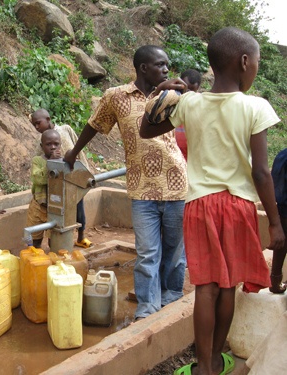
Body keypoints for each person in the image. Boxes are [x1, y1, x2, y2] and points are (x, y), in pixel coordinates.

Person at [140, 27, 285, 375]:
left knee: (204, 288)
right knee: (227, 288)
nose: (256, 70)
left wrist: (162, 93)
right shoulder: (256, 107)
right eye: (257, 64)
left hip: (199, 205)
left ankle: (203, 366)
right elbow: (262, 173)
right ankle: (218, 358)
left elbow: (147, 130)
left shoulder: (190, 102)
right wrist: (276, 223)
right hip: (237, 207)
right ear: (245, 61)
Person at [63, 45, 188, 321]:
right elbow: (95, 124)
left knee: (175, 253)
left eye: (167, 65)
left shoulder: (172, 95)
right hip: (142, 188)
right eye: (160, 65)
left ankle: (171, 300)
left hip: (177, 184)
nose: (167, 69)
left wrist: (184, 93)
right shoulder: (116, 96)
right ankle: (148, 308)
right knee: (147, 253)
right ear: (143, 68)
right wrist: (72, 152)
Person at [30, 108, 92, 248]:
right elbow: (38, 167)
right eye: (34, 125)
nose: (37, 127)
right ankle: (56, 247)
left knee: (79, 210)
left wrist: (85, 173)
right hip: (56, 183)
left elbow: (78, 149)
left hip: (74, 177)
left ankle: (81, 237)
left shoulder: (65, 130)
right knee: (59, 218)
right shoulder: (40, 142)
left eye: (39, 123)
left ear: (48, 119)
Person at [26, 129, 62, 249]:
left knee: (55, 240)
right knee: (35, 239)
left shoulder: (63, 162)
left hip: (55, 208)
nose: (52, 147)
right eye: (48, 144)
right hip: (38, 206)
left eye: (56, 144)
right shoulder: (38, 161)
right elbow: (38, 180)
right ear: (42, 146)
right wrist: (50, 163)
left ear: (60, 145)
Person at [270, 148, 287, 293]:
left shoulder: (283, 156)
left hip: (284, 210)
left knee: (281, 245)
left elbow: (275, 188)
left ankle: (275, 280)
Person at [175, 69, 202, 160]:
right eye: (185, 89)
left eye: (191, 91)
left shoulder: (200, 104)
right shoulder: (171, 99)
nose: (187, 93)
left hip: (191, 156)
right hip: (174, 154)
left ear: (197, 89)